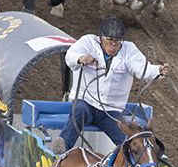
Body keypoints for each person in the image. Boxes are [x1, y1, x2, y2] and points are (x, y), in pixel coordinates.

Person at [58, 15, 169, 152]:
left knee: (127, 140)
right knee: (79, 111)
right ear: (101, 38)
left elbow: (143, 69)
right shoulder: (88, 42)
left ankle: (134, 162)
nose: (113, 44)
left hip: (110, 110)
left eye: (117, 41)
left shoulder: (129, 50)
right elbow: (70, 55)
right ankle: (62, 148)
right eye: (110, 40)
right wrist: (80, 58)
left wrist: (158, 70)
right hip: (85, 101)